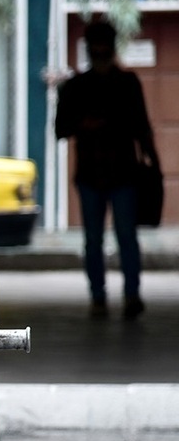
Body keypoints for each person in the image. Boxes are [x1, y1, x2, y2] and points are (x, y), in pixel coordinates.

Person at [55, 19, 160, 320]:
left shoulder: (126, 84)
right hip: (92, 174)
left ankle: (129, 295)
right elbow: (61, 128)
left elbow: (142, 127)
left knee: (123, 236)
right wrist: (84, 125)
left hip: (122, 172)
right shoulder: (77, 86)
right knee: (97, 239)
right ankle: (101, 297)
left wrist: (153, 162)